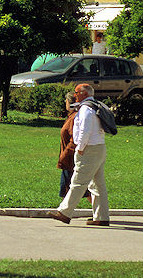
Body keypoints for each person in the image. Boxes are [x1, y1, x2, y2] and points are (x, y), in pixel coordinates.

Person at [49, 83, 109, 226]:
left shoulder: (86, 109)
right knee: (98, 184)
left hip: (89, 149)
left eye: (77, 92)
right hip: (99, 148)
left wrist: (80, 148)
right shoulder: (95, 106)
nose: (75, 95)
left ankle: (64, 212)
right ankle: (101, 217)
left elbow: (85, 131)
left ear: (84, 93)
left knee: (78, 182)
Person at [57, 92, 90, 200]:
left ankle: (62, 212)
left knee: (69, 187)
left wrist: (64, 155)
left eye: (66, 101)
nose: (64, 103)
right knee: (78, 187)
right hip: (69, 159)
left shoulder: (73, 118)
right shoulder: (71, 117)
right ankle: (63, 212)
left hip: (70, 159)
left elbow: (74, 140)